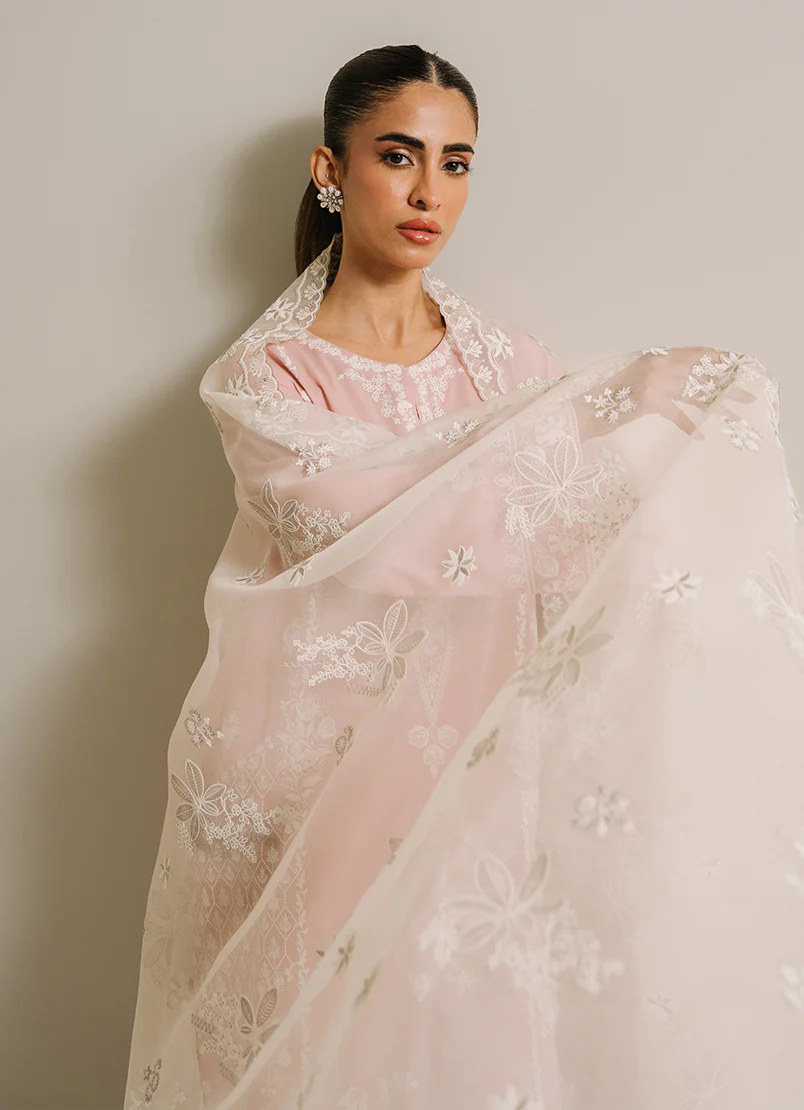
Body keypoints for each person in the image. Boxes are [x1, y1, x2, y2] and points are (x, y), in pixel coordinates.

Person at [123, 44, 804, 1110]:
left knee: (456, 1035)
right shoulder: (267, 376)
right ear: (331, 169)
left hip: (469, 761)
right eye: (399, 156)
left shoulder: (507, 364)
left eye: (456, 163)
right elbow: (359, 516)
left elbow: (576, 519)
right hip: (302, 775)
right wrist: (607, 417)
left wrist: (664, 418)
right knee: (300, 1048)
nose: (430, 192)